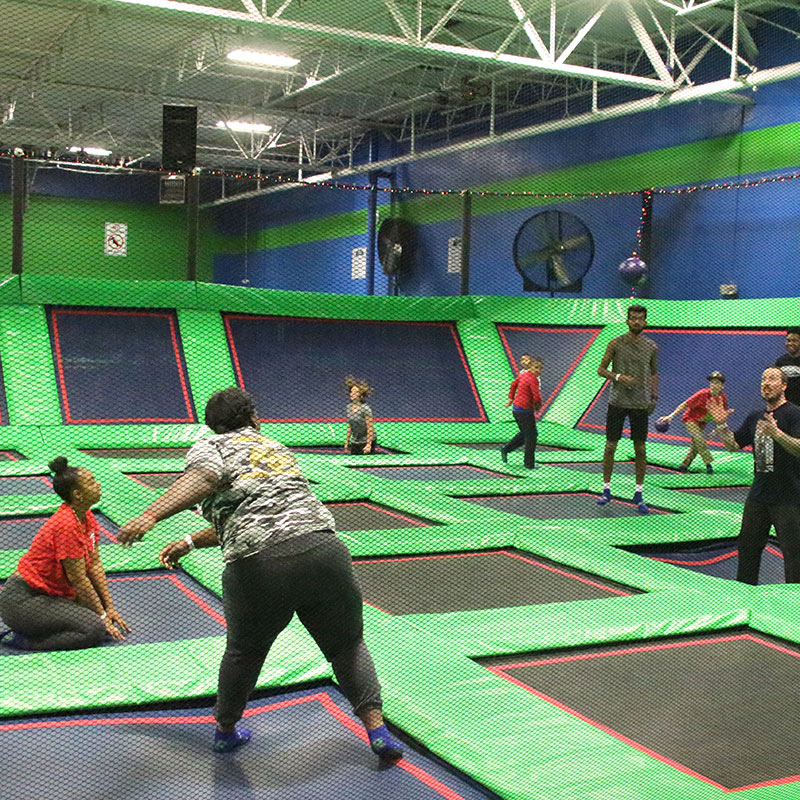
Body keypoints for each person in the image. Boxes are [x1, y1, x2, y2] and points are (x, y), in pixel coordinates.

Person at [117, 387, 403, 762]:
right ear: (252, 416)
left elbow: (204, 479)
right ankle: (377, 730)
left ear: (213, 425)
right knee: (347, 645)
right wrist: (188, 541)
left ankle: (225, 731)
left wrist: (149, 516)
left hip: (259, 566)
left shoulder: (212, 446)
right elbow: (248, 514)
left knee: (243, 652)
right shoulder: (274, 447)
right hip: (323, 550)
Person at [0, 458, 130, 651]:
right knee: (93, 629)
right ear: (78, 494)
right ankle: (21, 640)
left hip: (50, 595)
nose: (98, 484)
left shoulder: (86, 517)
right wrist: (102, 617)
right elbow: (78, 579)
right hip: (23, 600)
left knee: (98, 607)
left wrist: (108, 607)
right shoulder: (66, 525)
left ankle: (40, 627)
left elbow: (94, 565)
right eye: (92, 482)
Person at [709, 367, 800, 584]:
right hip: (758, 497)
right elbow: (733, 445)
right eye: (763, 379)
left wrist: (777, 433)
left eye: (772, 379)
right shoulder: (755, 417)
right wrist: (721, 424)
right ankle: (745, 601)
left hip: (788, 498)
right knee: (747, 553)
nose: (766, 384)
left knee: (794, 559)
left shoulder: (794, 414)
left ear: (784, 385)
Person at [596, 305, 659, 514]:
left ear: (645, 322)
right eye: (633, 318)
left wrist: (654, 395)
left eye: (640, 319)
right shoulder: (615, 343)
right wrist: (619, 377)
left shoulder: (651, 346)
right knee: (610, 446)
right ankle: (606, 489)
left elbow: (654, 373)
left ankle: (639, 492)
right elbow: (601, 369)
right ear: (627, 321)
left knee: (640, 449)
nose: (636, 322)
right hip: (617, 402)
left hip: (640, 404)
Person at [657, 371, 730, 474]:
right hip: (690, 419)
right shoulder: (702, 394)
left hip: (702, 422)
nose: (714, 385)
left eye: (717, 383)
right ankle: (708, 464)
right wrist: (671, 416)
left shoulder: (722, 398)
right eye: (712, 382)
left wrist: (718, 428)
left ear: (722, 386)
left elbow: (721, 415)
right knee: (699, 439)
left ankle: (684, 466)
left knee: (695, 446)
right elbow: (684, 405)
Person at [500, 354, 543, 469]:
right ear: (530, 368)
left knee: (526, 433)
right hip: (525, 411)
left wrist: (511, 398)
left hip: (517, 410)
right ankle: (529, 464)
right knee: (531, 436)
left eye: (540, 368)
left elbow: (513, 385)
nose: (539, 371)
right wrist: (538, 406)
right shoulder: (532, 379)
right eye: (536, 368)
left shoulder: (523, 375)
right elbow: (536, 396)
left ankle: (506, 449)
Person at [344, 376, 376, 455]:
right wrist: (347, 441)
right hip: (355, 441)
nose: (352, 394)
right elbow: (350, 425)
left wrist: (368, 445)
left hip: (366, 441)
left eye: (355, 392)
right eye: (351, 392)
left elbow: (370, 428)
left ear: (360, 395)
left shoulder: (365, 409)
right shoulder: (349, 407)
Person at [775, 328, 800, 406]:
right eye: (788, 340)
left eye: (794, 340)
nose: (790, 343)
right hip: (785, 405)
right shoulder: (780, 361)